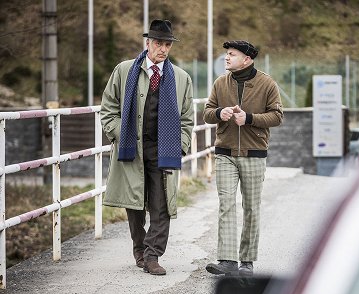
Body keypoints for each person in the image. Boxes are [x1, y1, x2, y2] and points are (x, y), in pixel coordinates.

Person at [100, 19, 194, 276]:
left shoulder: (182, 78)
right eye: (158, 43)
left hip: (165, 148)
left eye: (167, 44)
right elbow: (108, 109)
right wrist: (122, 134)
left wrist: (181, 146)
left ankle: (153, 256)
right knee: (135, 204)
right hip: (132, 147)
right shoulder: (124, 70)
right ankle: (140, 250)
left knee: (162, 204)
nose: (163, 49)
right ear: (148, 43)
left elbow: (187, 119)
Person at [203, 40, 283, 276]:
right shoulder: (220, 83)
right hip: (225, 152)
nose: (226, 58)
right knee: (226, 205)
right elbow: (207, 113)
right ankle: (227, 260)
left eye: (231, 54)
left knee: (251, 208)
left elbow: (277, 116)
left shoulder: (267, 83)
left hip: (254, 153)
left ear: (247, 59)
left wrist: (248, 119)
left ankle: (247, 261)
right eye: (226, 54)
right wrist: (220, 113)